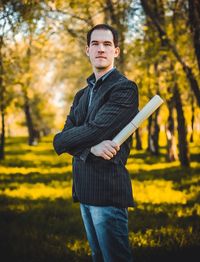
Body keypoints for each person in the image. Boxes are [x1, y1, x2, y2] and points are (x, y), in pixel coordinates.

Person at [53, 24, 139, 262]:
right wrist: (91, 147)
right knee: (98, 257)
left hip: (107, 190)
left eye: (107, 44)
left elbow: (95, 129)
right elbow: (61, 138)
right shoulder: (81, 94)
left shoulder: (125, 89)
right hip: (84, 188)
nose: (101, 49)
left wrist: (70, 141)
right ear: (87, 50)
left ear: (116, 51)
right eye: (95, 44)